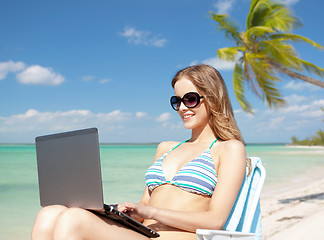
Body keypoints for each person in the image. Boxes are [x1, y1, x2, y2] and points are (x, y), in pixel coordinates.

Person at [31, 64, 247, 240]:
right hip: (144, 232)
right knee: (49, 213)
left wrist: (151, 212)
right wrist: (127, 212)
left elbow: (215, 220)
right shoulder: (166, 147)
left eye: (189, 99)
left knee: (73, 219)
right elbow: (144, 208)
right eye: (176, 101)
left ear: (212, 98)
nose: (182, 108)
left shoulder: (229, 148)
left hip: (177, 237)